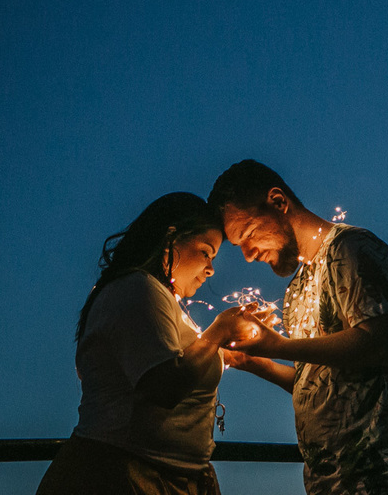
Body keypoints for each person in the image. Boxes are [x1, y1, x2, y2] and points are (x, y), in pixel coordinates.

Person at [208, 159, 388, 495]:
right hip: (331, 483)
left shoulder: (352, 248)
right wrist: (256, 363)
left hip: (385, 477)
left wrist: (277, 345)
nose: (248, 254)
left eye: (248, 235)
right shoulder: (297, 289)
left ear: (278, 202)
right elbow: (323, 384)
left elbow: (382, 343)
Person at [36, 192, 256, 495]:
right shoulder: (136, 289)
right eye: (206, 252)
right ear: (171, 239)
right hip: (121, 477)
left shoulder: (162, 300)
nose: (211, 269)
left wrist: (225, 349)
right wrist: (219, 330)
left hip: (162, 477)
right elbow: (162, 385)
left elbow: (178, 360)